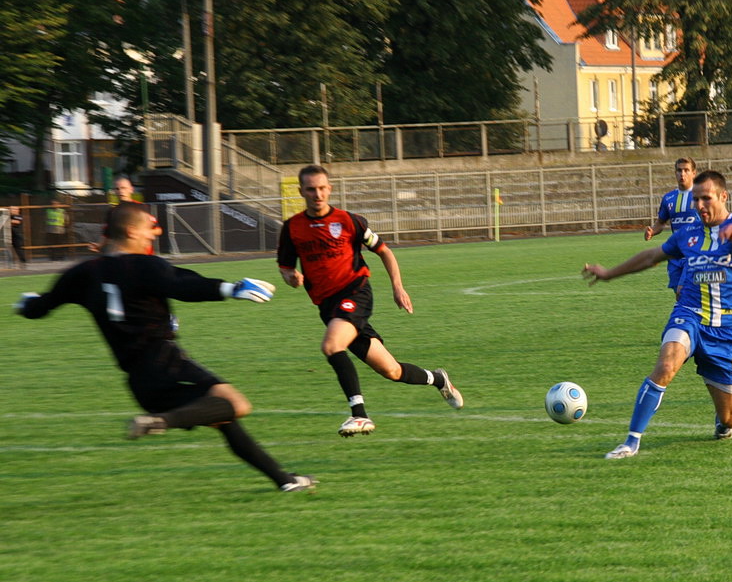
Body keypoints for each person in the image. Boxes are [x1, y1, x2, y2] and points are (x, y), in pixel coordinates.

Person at [15, 202, 316, 492]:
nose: (154, 233)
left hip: (138, 380)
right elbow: (180, 283)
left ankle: (284, 480)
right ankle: (159, 422)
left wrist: (27, 305)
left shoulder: (82, 274)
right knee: (236, 405)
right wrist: (229, 288)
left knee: (222, 419)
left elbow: (42, 306)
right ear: (131, 232)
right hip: (165, 362)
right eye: (149, 227)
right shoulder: (143, 266)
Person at [582, 170, 732, 459]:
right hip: (690, 314)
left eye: (705, 198)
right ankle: (631, 441)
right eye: (695, 199)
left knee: (729, 421)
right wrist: (609, 273)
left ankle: (724, 416)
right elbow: (651, 256)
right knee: (667, 364)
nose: (699, 205)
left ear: (723, 196)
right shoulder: (687, 233)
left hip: (725, 330)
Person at [277, 164, 463, 437]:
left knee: (331, 346)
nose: (317, 194)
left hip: (355, 294)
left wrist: (397, 288)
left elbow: (385, 252)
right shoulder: (292, 228)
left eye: (321, 188)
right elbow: (285, 267)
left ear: (329, 188)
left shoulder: (350, 221)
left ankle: (359, 416)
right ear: (301, 191)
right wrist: (291, 278)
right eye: (310, 189)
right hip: (329, 308)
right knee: (391, 370)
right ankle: (438, 379)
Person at [644, 157, 698, 297]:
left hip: (694, 252)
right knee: (678, 294)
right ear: (675, 173)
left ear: (694, 173)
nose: (682, 174)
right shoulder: (669, 198)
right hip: (675, 253)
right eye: (679, 170)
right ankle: (688, 318)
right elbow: (661, 223)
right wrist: (652, 231)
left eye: (686, 170)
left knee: (683, 290)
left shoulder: (701, 196)